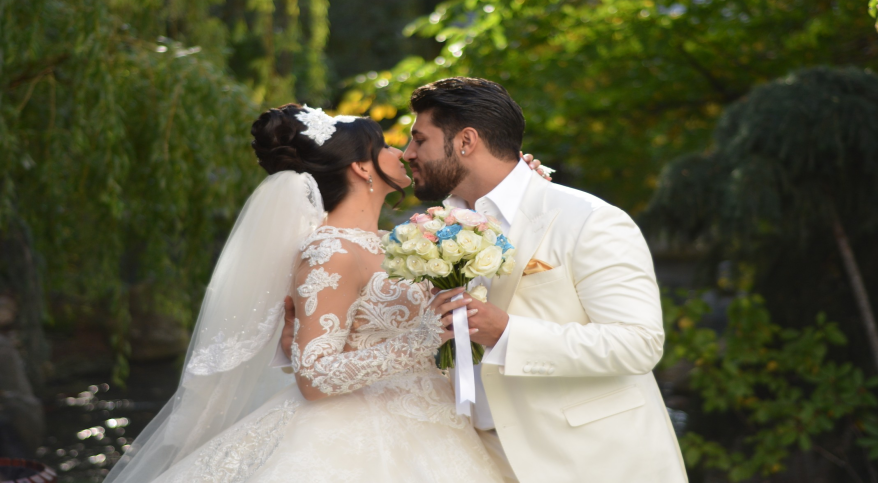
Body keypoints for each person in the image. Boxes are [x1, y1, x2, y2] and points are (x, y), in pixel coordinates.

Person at [104, 105, 509, 482]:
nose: (400, 153)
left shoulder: (397, 243)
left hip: (436, 416)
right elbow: (313, 377)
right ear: (360, 167)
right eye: (385, 145)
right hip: (359, 434)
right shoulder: (330, 251)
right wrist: (422, 339)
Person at [402, 77, 688, 482]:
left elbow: (638, 343)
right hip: (473, 458)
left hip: (589, 461)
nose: (407, 153)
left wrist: (507, 333)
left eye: (419, 140)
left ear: (466, 141)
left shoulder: (589, 219)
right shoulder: (431, 232)